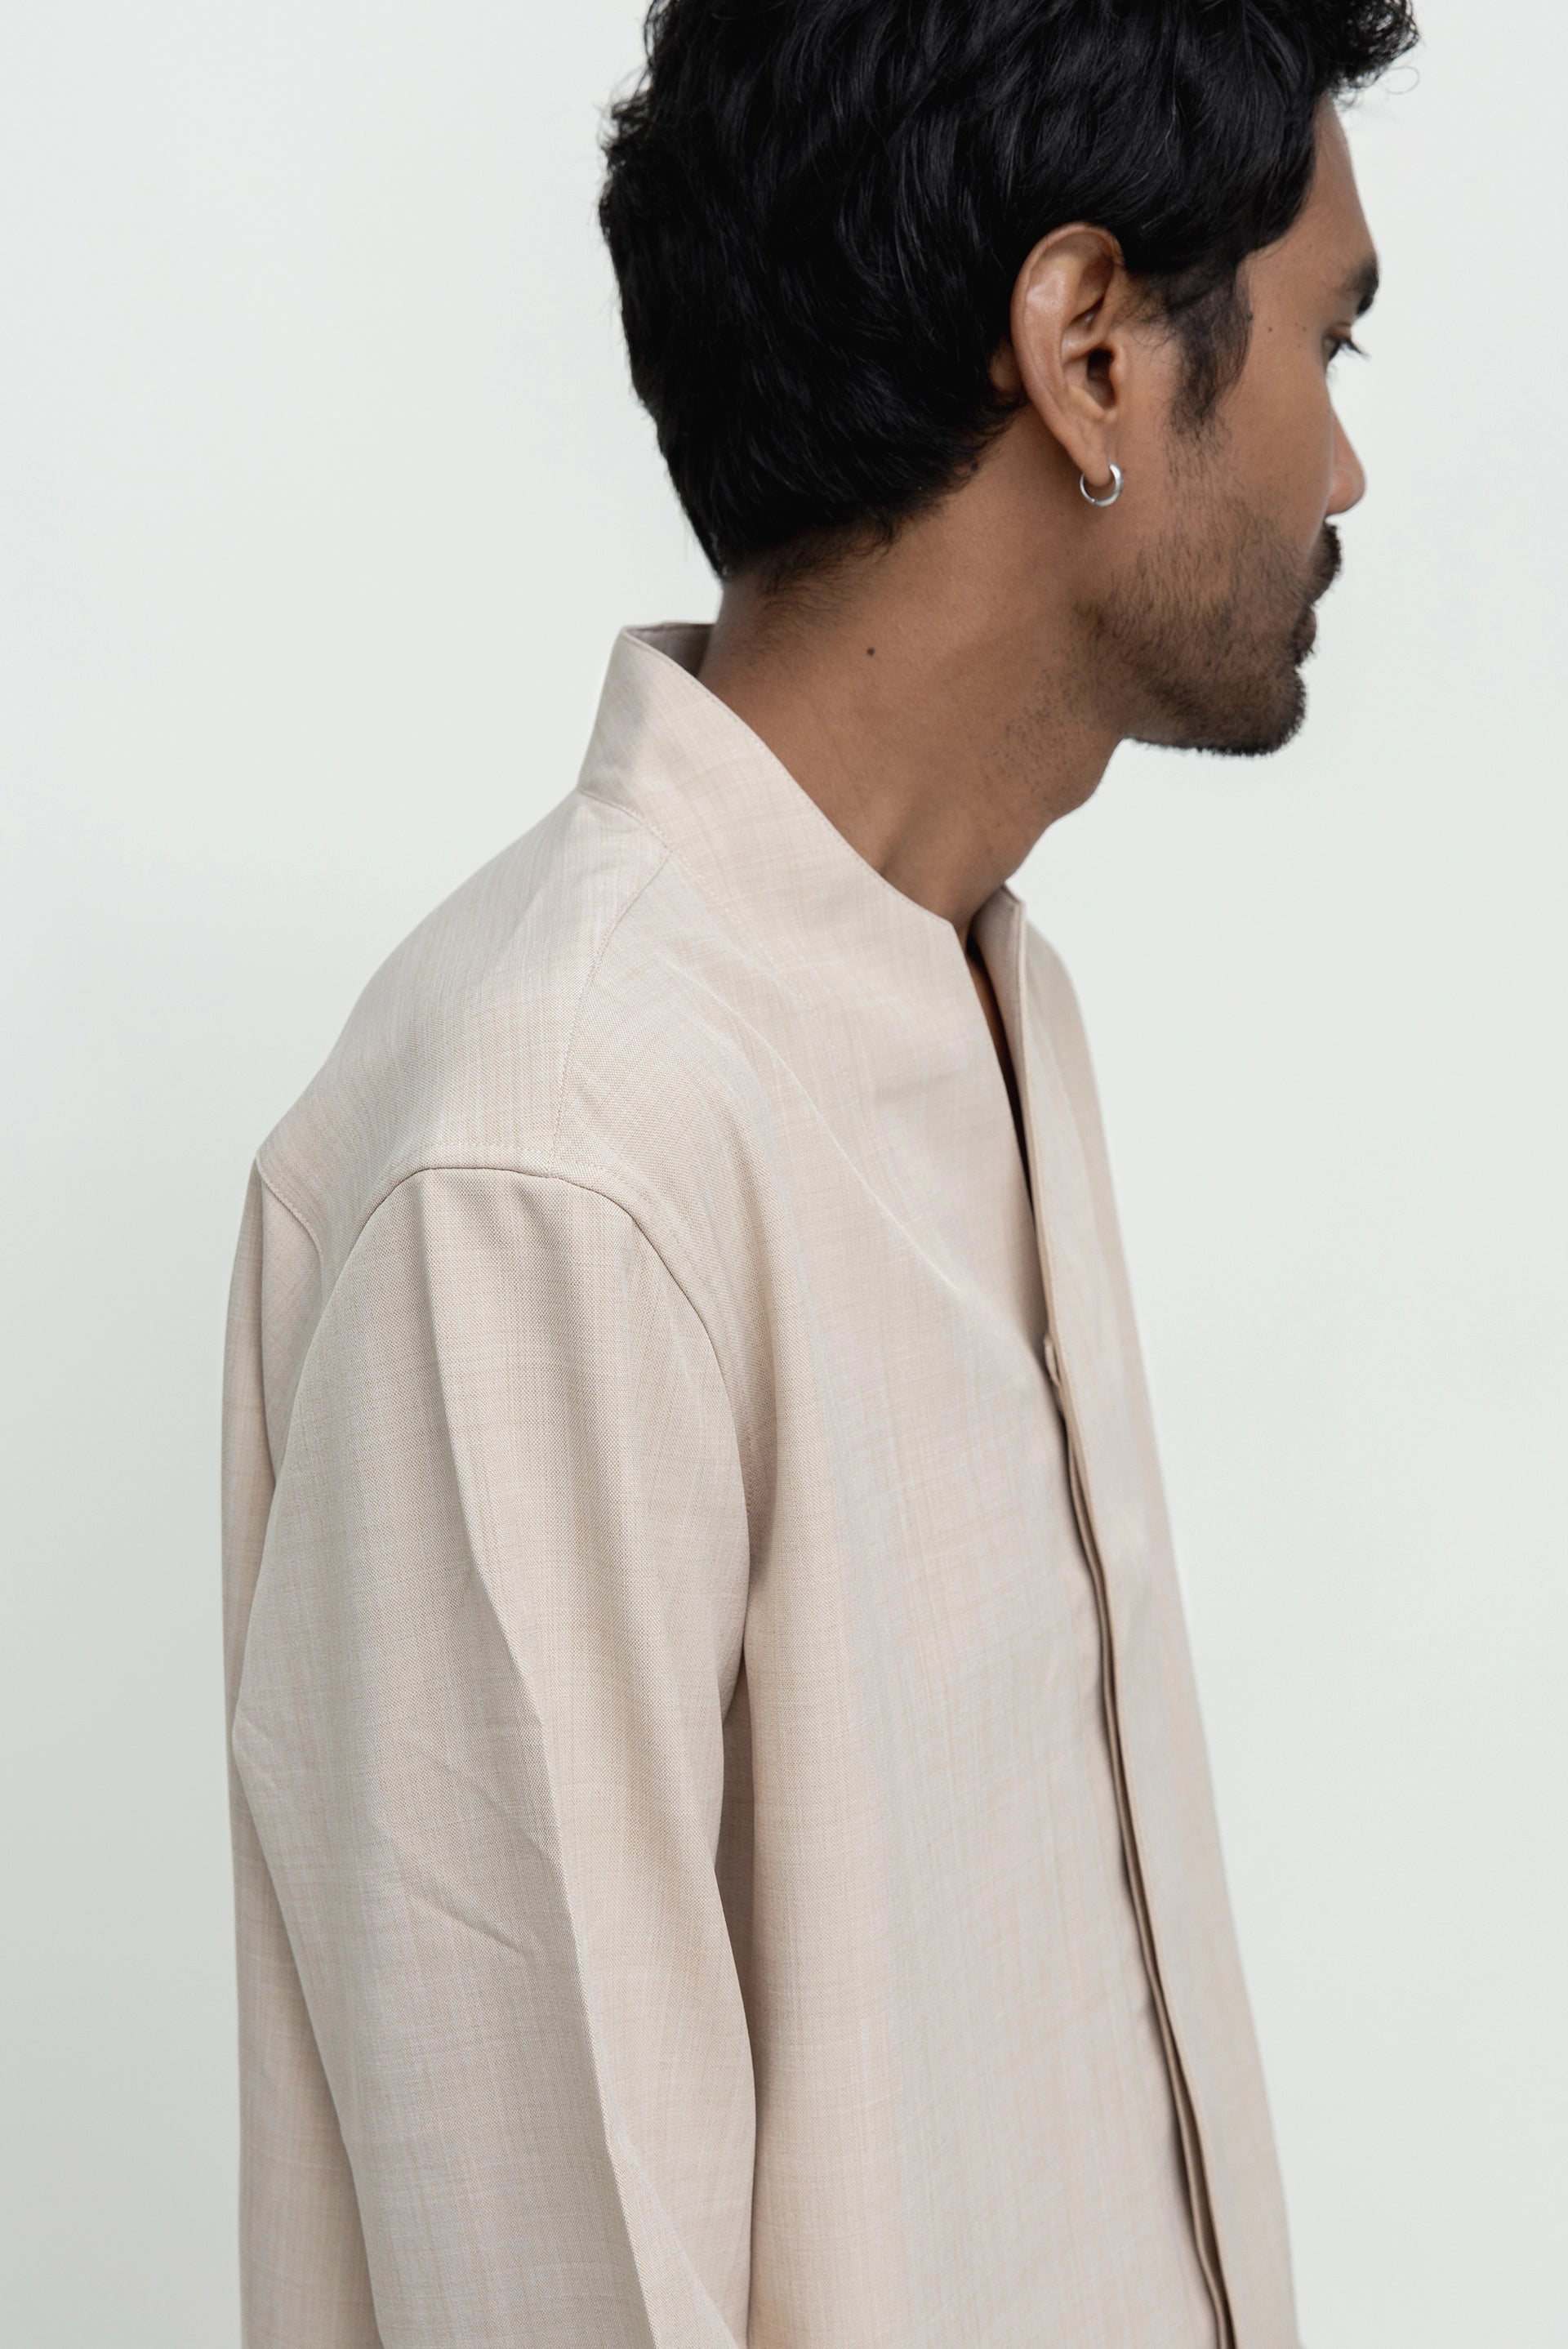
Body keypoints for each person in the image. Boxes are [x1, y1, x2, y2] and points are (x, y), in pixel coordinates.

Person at [220, 2, 1417, 2342]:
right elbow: (548, 2263)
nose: (1347, 464)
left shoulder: (976, 992)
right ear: (1089, 347)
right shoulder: (554, 1164)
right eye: (1324, 339)